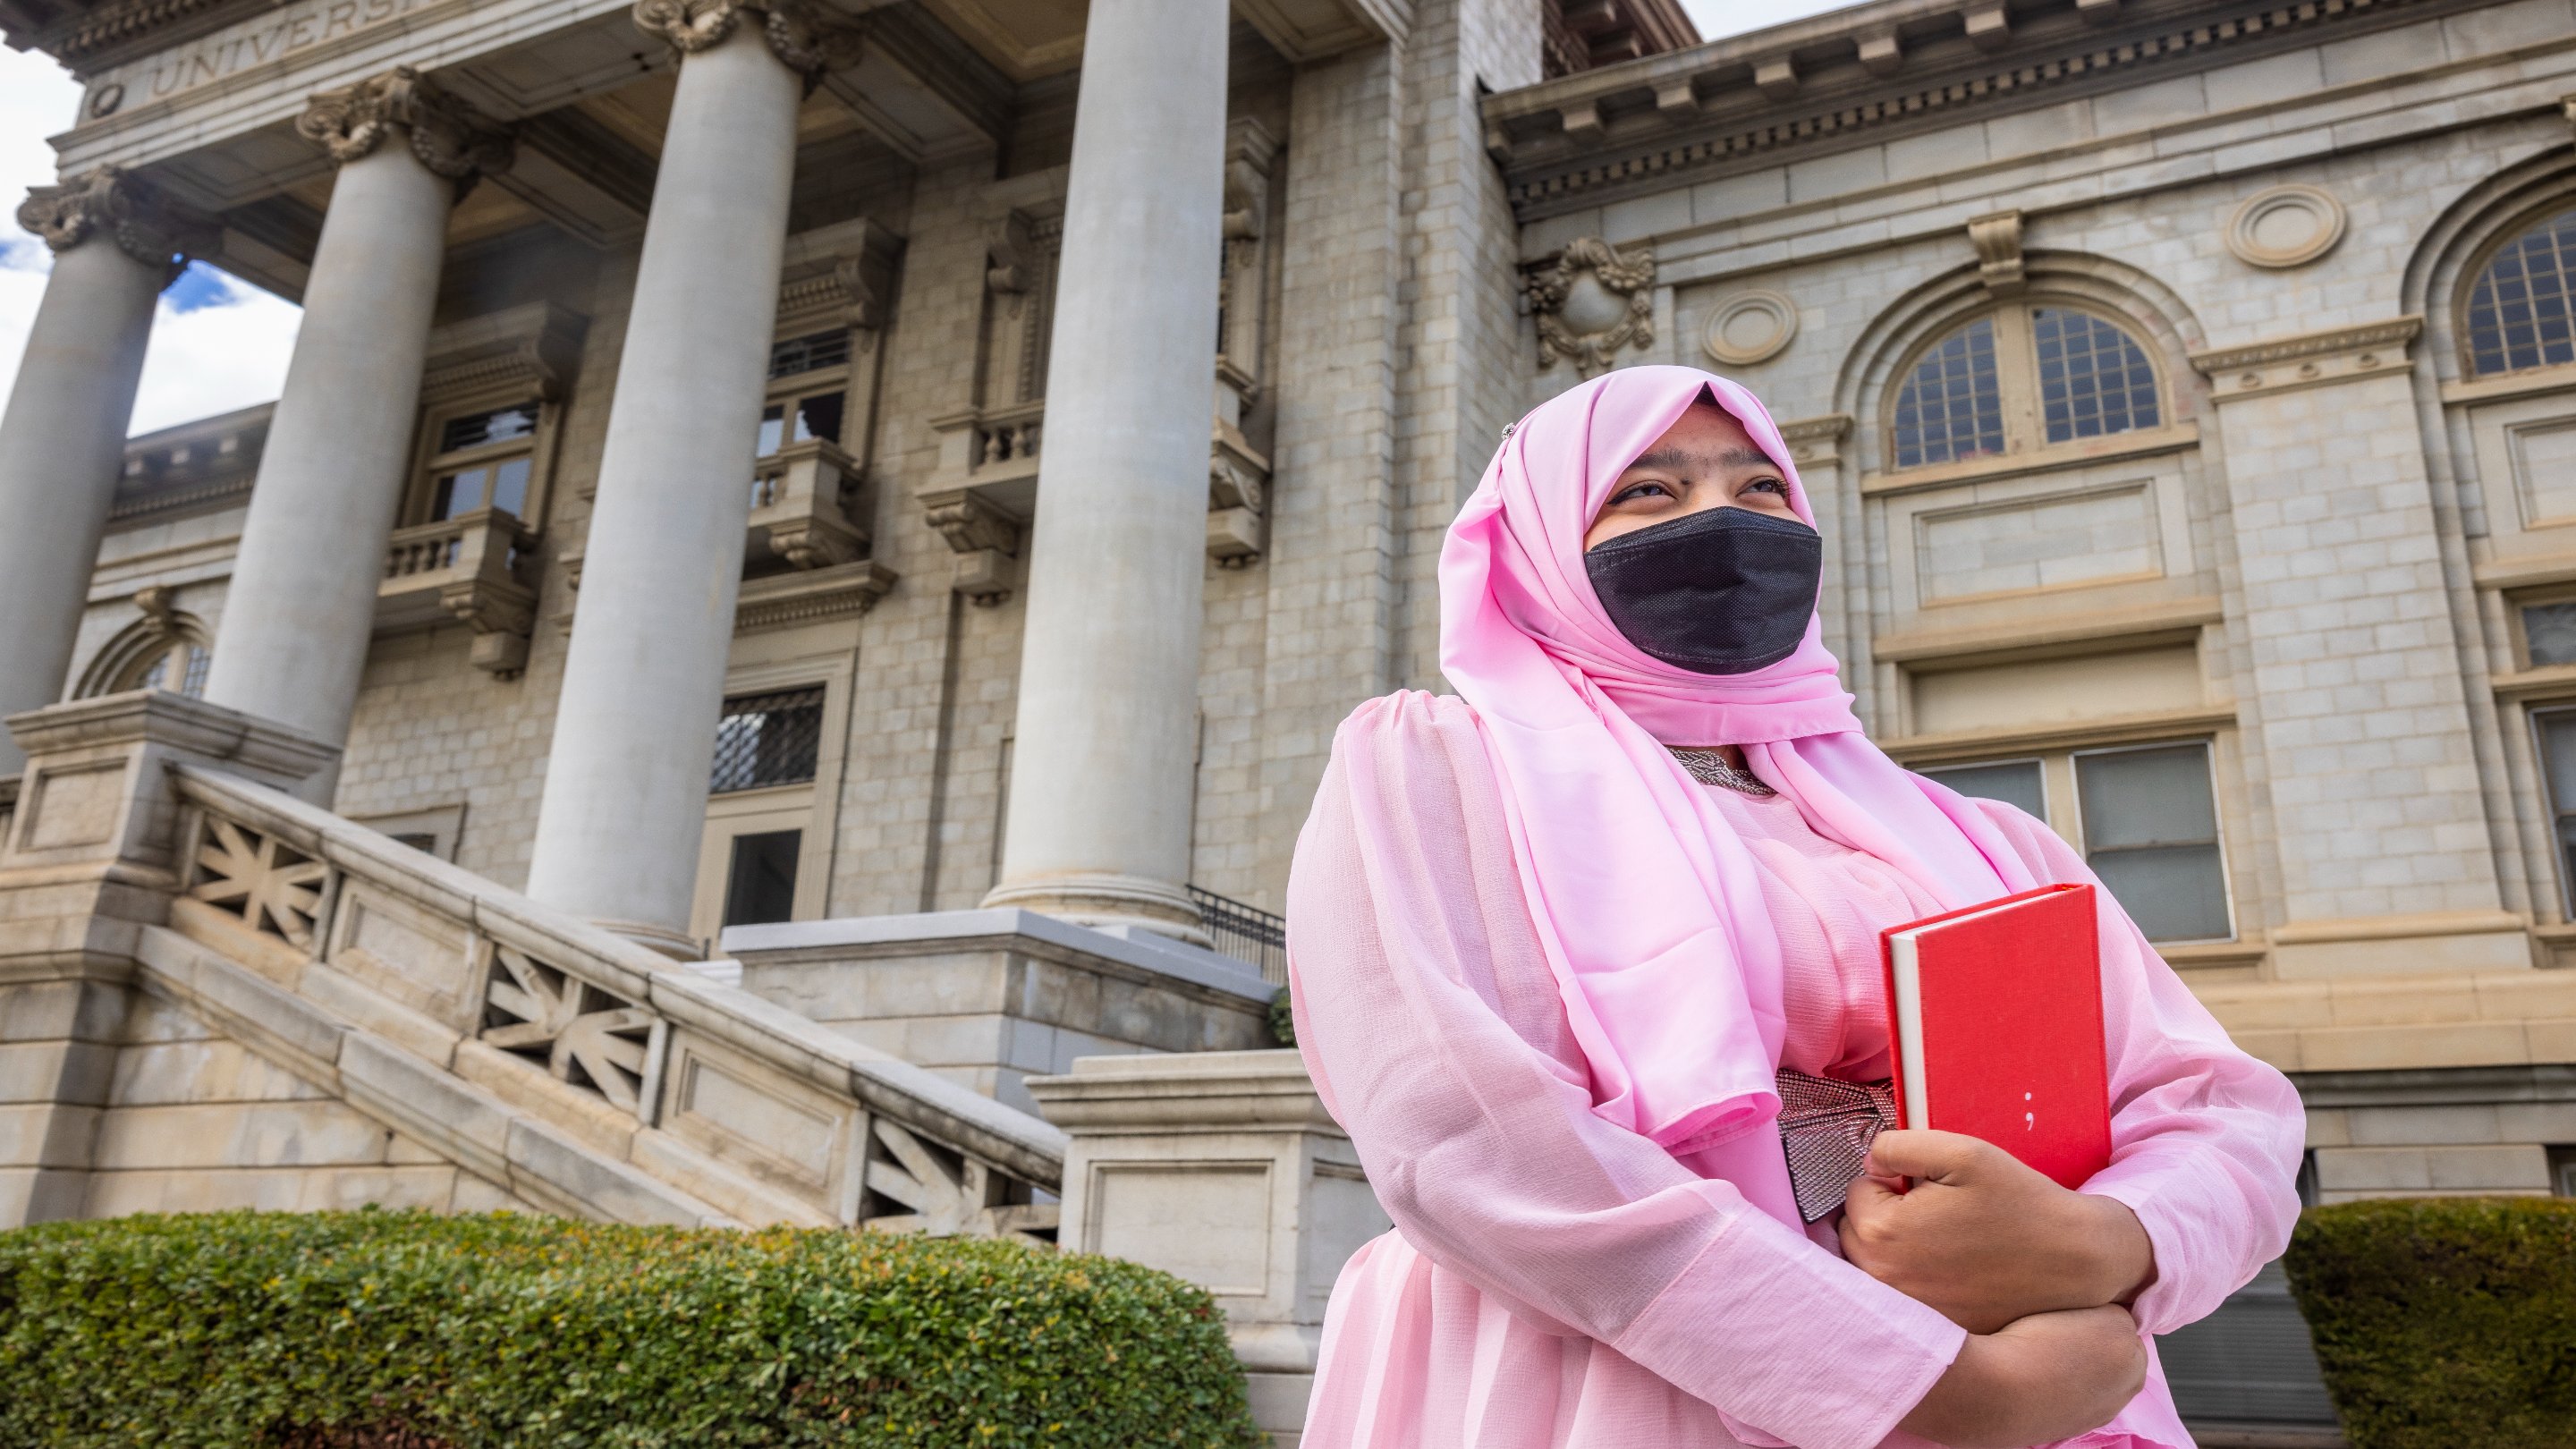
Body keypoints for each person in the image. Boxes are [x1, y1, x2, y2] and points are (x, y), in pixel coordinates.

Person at [1284, 365, 2306, 1449]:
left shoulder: (1986, 839)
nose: (1720, 521)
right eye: (1648, 491)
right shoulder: (1436, 771)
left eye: (1760, 488)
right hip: (1610, 1379)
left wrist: (2106, 1244)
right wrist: (1936, 1390)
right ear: (1536, 542)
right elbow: (1465, 1137)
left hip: (2037, 1359)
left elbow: (2218, 1104)